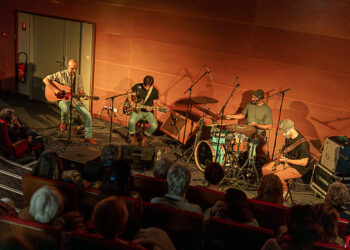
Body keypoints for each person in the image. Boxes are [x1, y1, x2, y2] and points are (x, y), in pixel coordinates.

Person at [43, 59, 97, 145]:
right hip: (63, 99)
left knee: (88, 115)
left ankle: (88, 136)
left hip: (74, 99)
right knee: (65, 109)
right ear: (68, 66)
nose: (74, 71)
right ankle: (63, 121)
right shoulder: (60, 74)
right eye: (72, 68)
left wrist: (85, 95)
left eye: (76, 69)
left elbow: (81, 91)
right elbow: (45, 79)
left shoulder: (78, 77)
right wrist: (56, 89)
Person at [261, 119, 310, 192]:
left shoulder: (303, 144)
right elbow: (288, 150)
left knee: (276, 177)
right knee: (265, 169)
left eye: (285, 132)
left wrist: (287, 160)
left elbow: (304, 162)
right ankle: (269, 190)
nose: (283, 134)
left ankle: (283, 193)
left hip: (298, 168)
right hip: (287, 163)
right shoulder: (288, 137)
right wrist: (281, 156)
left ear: (292, 129)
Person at [225, 89, 273, 155]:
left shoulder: (267, 110)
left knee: (251, 147)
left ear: (260, 99)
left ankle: (250, 163)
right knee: (229, 137)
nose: (252, 99)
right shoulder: (250, 104)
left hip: (258, 134)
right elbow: (242, 115)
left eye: (254, 97)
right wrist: (231, 116)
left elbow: (269, 126)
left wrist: (256, 125)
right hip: (246, 131)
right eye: (252, 97)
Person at [127, 75, 159, 146]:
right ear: (143, 83)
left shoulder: (154, 91)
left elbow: (155, 104)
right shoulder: (138, 86)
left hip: (148, 112)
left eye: (148, 86)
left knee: (154, 126)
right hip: (138, 110)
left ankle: (145, 136)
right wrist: (130, 102)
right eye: (145, 85)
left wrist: (152, 108)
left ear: (151, 85)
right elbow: (129, 92)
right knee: (131, 121)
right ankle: (133, 136)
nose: (146, 87)